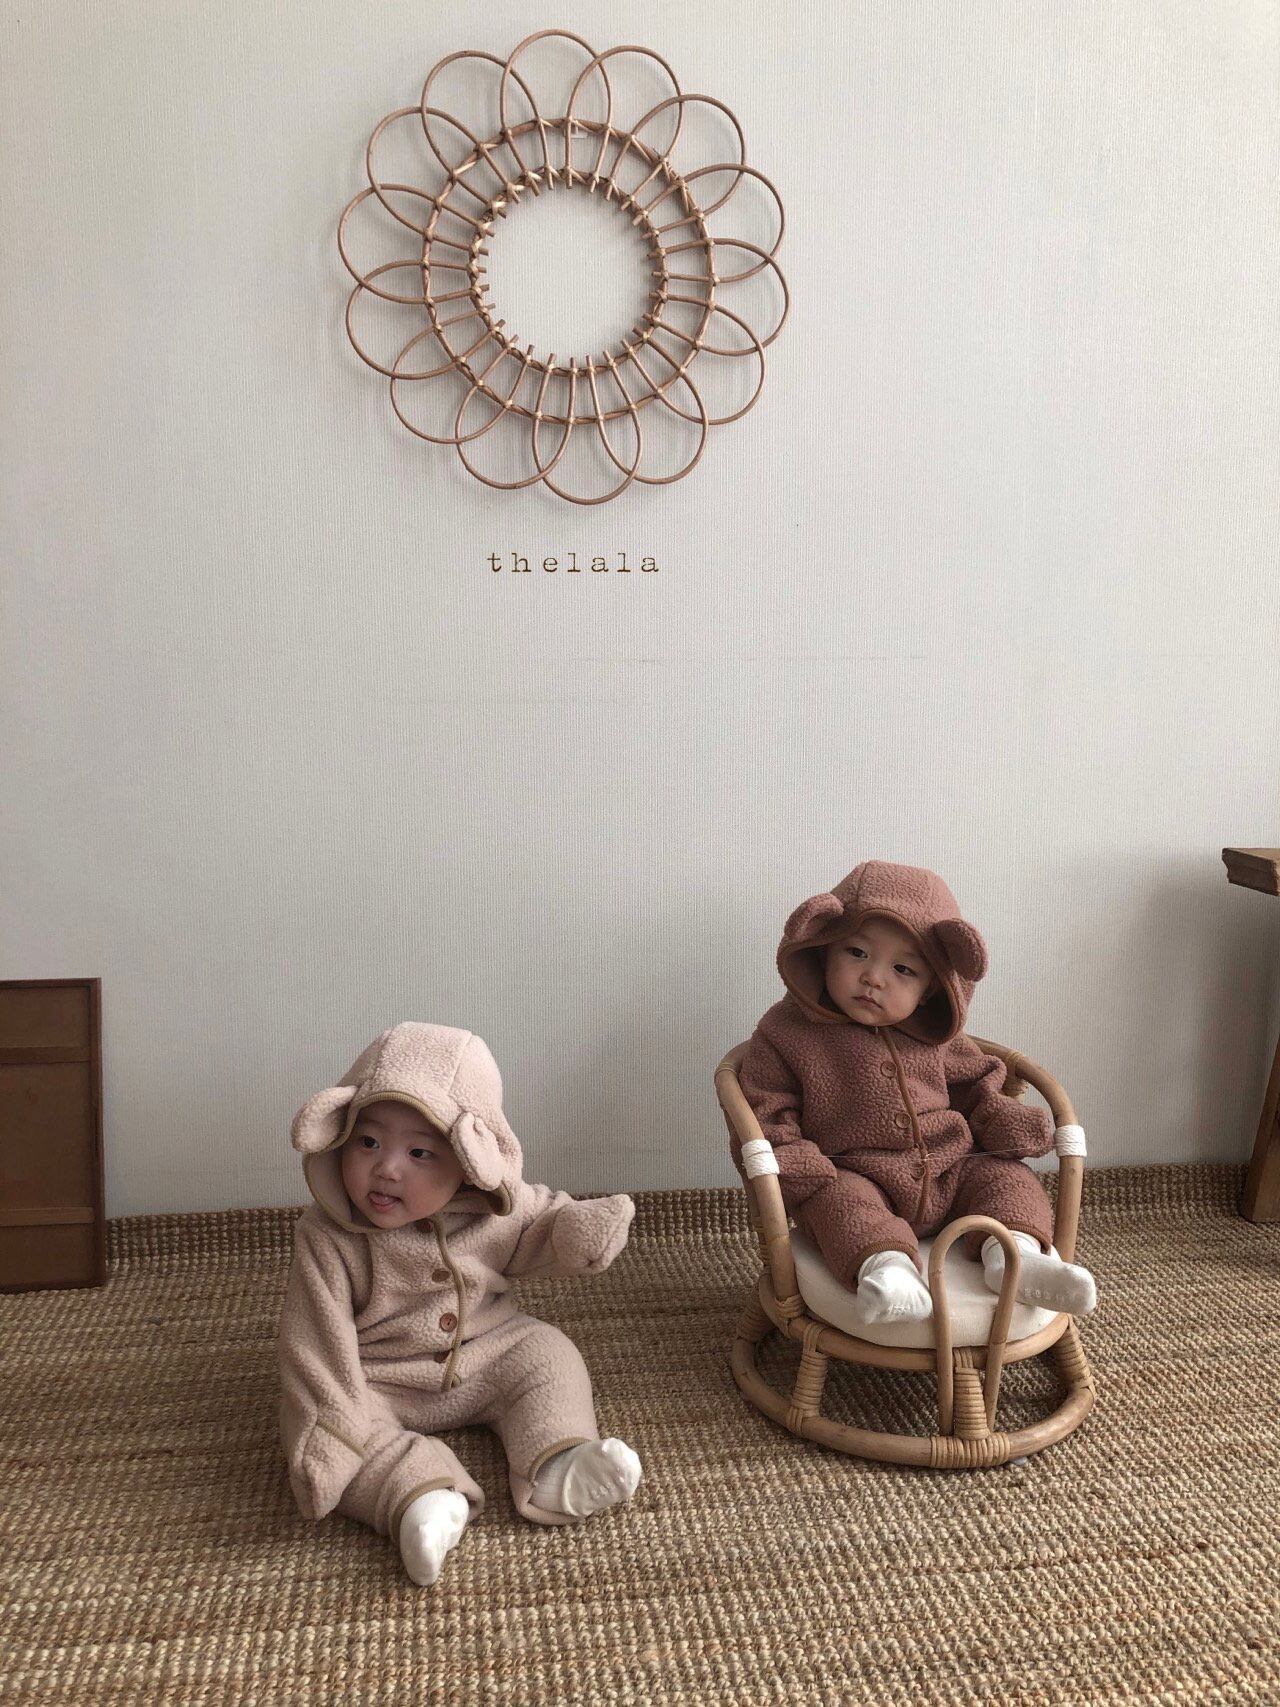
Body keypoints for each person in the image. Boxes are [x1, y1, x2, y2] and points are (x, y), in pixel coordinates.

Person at [277, 1021, 642, 1587]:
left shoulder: (493, 1209)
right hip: (377, 1378)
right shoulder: (327, 1236)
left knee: (548, 1353)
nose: (386, 1168)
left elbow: (543, 1223)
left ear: (469, 1162)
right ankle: (421, 1499)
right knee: (338, 1432)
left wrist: (576, 1229)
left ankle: (556, 1462)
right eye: (368, 1142)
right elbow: (314, 1339)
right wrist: (328, 1424)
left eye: (420, 1152)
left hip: (487, 1354)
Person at [737, 861, 1097, 1325]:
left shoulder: (936, 1034)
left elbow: (977, 1085)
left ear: (930, 989)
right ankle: (887, 1270)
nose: (874, 977)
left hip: (953, 1167)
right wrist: (802, 1170)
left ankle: (1014, 1256)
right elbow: (767, 1113)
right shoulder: (787, 1032)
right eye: (857, 952)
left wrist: (999, 1118)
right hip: (857, 1174)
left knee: (1009, 1180)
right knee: (840, 1206)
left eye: (903, 969)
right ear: (824, 950)